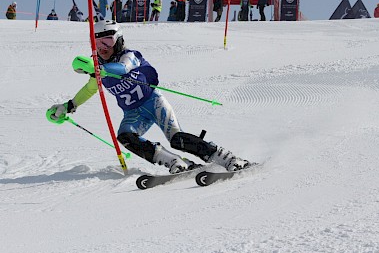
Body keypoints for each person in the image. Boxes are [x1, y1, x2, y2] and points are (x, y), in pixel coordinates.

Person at [47, 20, 250, 174]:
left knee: (176, 138)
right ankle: (175, 162)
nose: (103, 47)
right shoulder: (98, 71)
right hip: (133, 113)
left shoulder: (130, 55)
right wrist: (69, 105)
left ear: (118, 40)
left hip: (154, 103)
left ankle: (227, 158)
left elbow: (123, 68)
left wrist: (99, 68)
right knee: (125, 136)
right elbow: (90, 89)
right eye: (97, 42)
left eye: (107, 40)